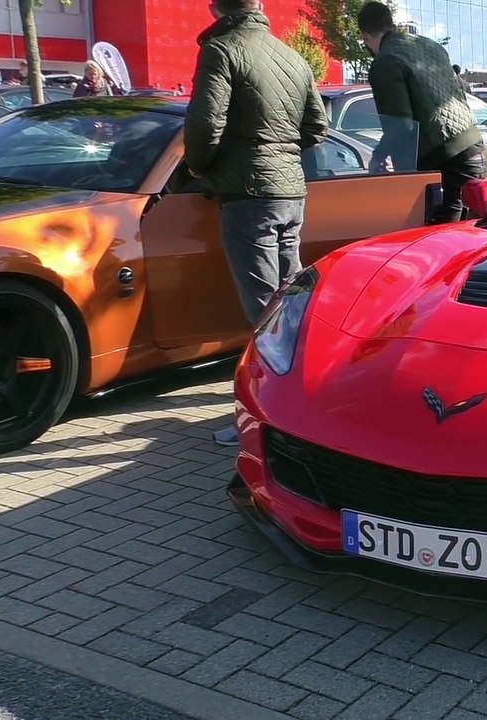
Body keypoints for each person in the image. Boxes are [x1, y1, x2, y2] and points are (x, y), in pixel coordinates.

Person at [184, 0, 329, 446]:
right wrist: (281, 151)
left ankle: (267, 420)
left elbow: (204, 125)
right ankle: (308, 406)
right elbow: (317, 125)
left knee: (266, 315)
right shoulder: (292, 57)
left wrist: (199, 167)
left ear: (216, 7)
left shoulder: (223, 50)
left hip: (248, 193)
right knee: (290, 309)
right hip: (290, 191)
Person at [358, 1, 486, 223]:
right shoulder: (430, 45)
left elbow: (400, 124)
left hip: (439, 157)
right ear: (390, 24)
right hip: (471, 142)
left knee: (442, 232)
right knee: (474, 226)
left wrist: (378, 156)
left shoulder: (386, 61)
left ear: (365, 36)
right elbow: (460, 91)